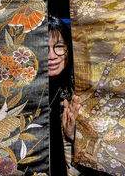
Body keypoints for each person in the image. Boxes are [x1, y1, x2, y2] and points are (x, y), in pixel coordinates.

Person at [48, 14, 80, 176]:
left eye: (59, 46)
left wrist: (74, 135)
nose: (52, 56)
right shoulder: (23, 92)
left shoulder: (78, 89)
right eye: (44, 48)